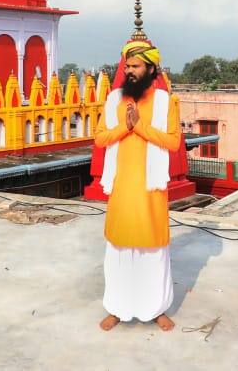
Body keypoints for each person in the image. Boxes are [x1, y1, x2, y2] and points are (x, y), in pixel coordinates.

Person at [96, 35, 182, 332]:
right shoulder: (113, 101)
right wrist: (125, 127)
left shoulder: (165, 101)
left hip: (150, 189)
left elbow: (172, 142)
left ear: (151, 70)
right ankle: (117, 308)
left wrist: (141, 128)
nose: (129, 71)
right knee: (119, 249)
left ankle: (155, 309)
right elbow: (100, 138)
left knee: (152, 250)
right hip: (122, 187)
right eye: (127, 66)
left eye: (135, 66)